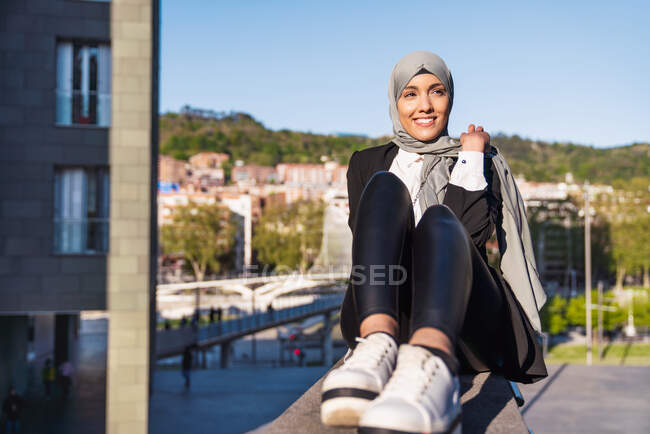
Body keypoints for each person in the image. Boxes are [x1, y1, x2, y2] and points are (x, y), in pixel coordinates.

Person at [320, 51, 547, 433]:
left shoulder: (480, 159)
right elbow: (369, 240)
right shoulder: (366, 162)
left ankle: (430, 362)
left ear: (450, 98)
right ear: (395, 102)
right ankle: (375, 343)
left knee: (439, 220)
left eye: (436, 92)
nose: (424, 105)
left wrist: (471, 159)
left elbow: (466, 239)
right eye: (410, 94)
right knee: (384, 187)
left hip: (464, 317)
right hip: (388, 302)